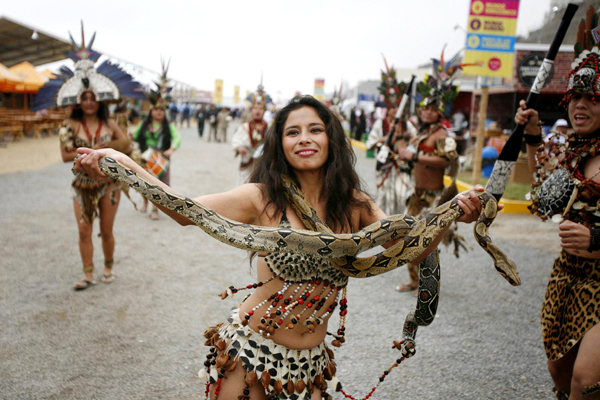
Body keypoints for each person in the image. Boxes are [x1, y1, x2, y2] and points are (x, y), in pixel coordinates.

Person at [74, 95, 487, 400]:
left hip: (309, 367)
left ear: (331, 139)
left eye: (314, 129)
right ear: (280, 144)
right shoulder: (262, 197)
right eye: (293, 132)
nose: (304, 139)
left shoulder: (357, 206)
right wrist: (117, 160)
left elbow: (410, 248)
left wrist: (455, 214)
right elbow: (186, 210)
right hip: (250, 357)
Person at [515, 10, 600, 399]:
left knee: (587, 379)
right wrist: (533, 133)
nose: (580, 106)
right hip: (568, 277)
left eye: (592, 98)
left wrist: (594, 239)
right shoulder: (574, 151)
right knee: (560, 372)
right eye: (576, 97)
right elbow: (545, 197)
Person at [31, 24, 145, 290]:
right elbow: (64, 155)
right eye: (85, 98)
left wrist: (109, 145)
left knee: (106, 230)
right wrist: (88, 155)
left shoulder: (110, 122)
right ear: (78, 100)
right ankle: (87, 274)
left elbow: (127, 143)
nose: (90, 102)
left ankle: (108, 266)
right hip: (81, 185)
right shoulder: (68, 125)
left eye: (94, 97)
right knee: (83, 229)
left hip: (108, 185)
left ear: (100, 100)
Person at [395, 48, 474, 293]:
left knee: (427, 242)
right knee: (409, 238)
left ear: (440, 110)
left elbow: (449, 160)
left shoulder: (442, 134)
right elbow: (405, 152)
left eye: (432, 108)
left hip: (434, 197)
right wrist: (399, 139)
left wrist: (416, 155)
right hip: (417, 195)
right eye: (424, 107)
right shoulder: (423, 133)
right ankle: (415, 281)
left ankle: (428, 283)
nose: (427, 111)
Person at [366, 58, 414, 217]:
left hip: (402, 169)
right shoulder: (380, 124)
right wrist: (385, 139)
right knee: (383, 202)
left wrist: (404, 136)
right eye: (392, 107)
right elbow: (369, 144)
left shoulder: (408, 124)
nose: (394, 111)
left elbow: (416, 143)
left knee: (402, 198)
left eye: (397, 107)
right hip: (385, 168)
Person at [133, 64, 181, 220]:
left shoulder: (169, 126)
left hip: (163, 158)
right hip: (146, 157)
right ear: (151, 110)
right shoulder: (144, 124)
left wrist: (171, 150)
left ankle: (155, 208)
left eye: (162, 109)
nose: (159, 112)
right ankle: (146, 202)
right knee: (145, 183)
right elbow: (135, 136)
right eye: (156, 109)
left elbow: (177, 138)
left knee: (160, 185)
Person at [231, 84, 270, 186]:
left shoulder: (270, 128)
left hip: (263, 165)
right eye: (255, 108)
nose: (258, 110)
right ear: (251, 110)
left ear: (264, 111)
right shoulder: (244, 127)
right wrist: (239, 147)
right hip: (247, 163)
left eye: (261, 108)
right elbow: (236, 140)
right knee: (244, 186)